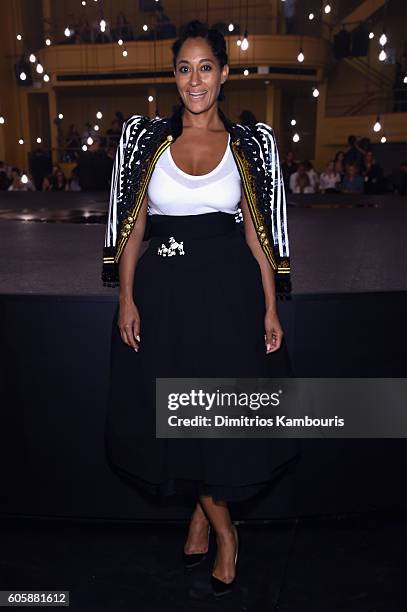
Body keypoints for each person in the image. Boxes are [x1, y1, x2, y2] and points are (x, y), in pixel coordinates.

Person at [102, 20, 296, 599]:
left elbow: (257, 235)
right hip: (163, 301)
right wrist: (125, 297)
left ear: (224, 74)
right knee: (176, 417)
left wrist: (270, 306)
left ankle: (221, 532)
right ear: (175, 75)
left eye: (206, 67)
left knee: (214, 421)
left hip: (227, 303)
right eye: (185, 68)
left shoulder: (248, 146)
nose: (195, 80)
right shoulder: (145, 141)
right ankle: (209, 518)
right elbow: (133, 226)